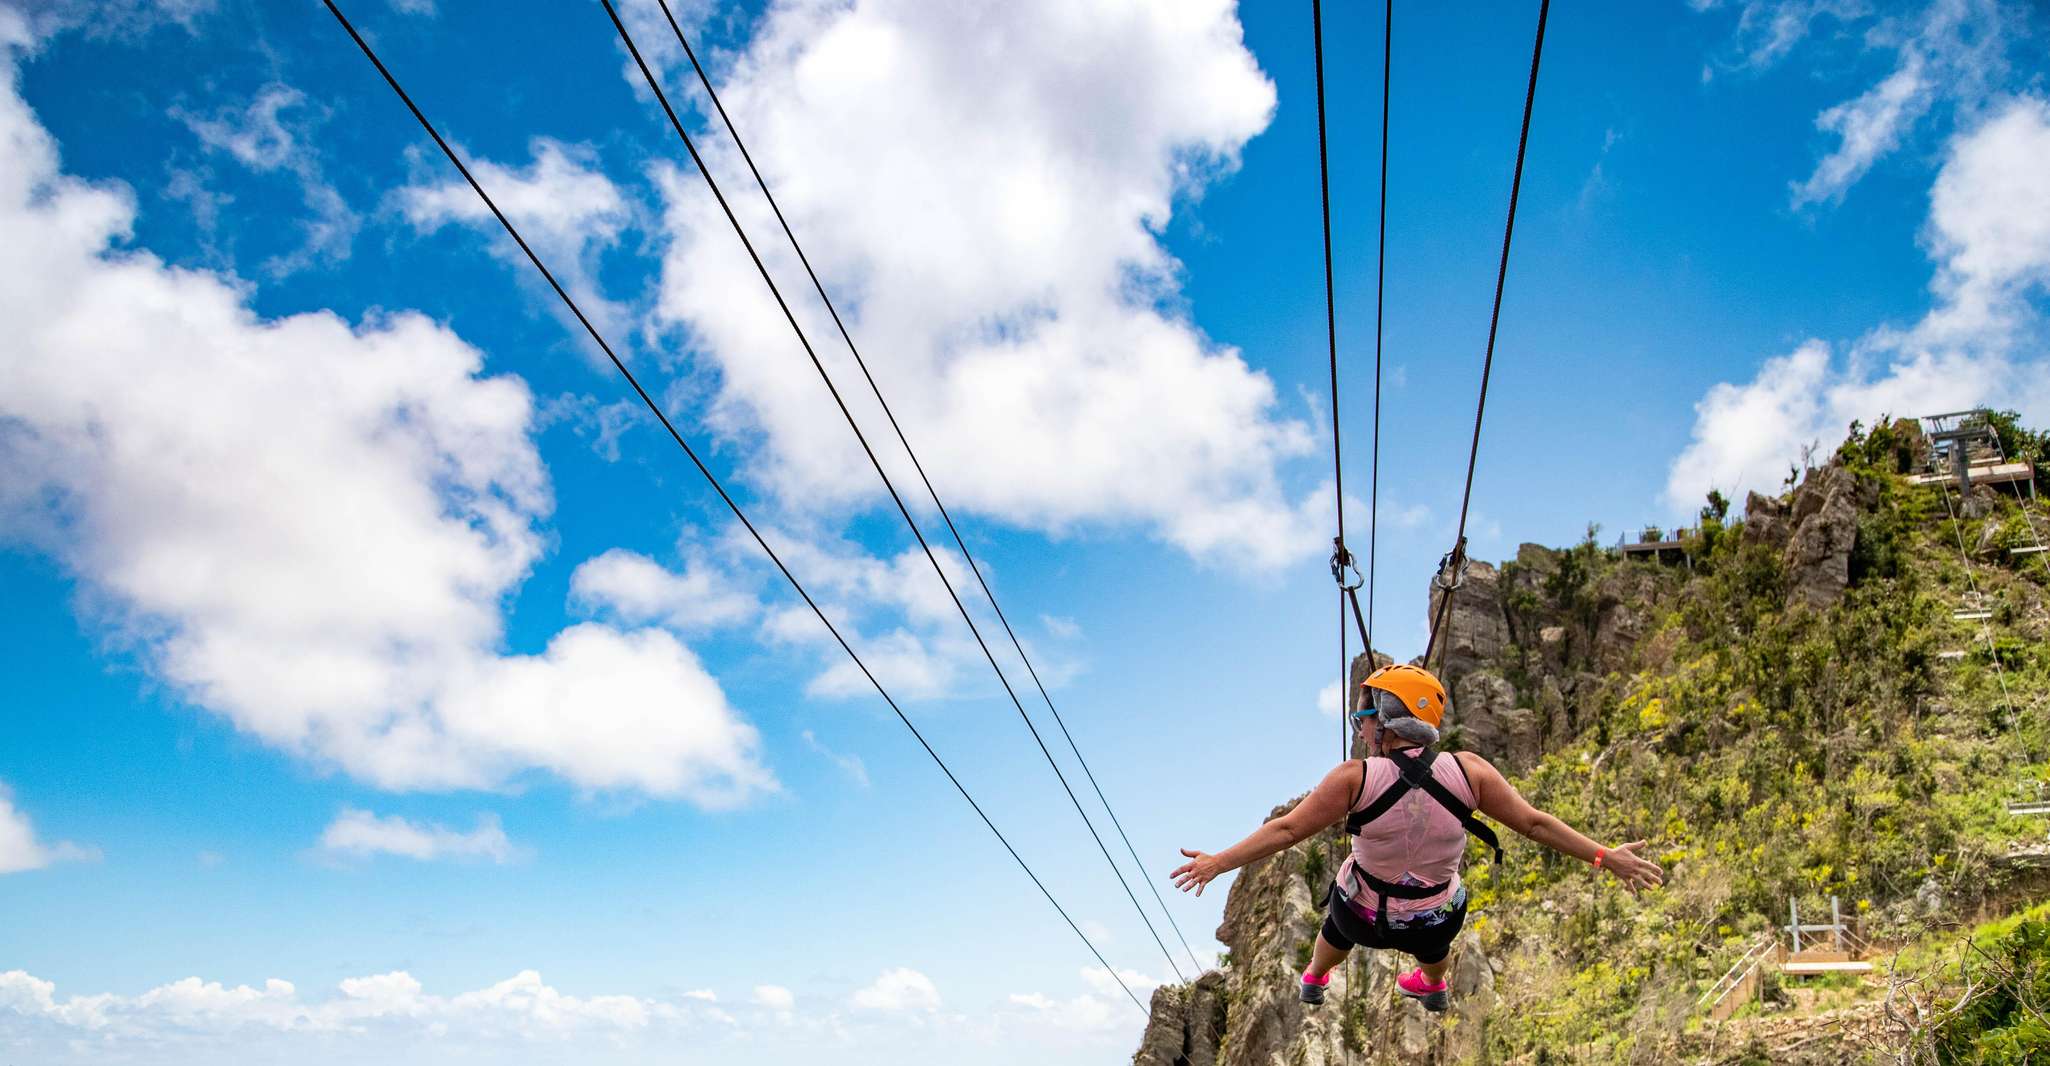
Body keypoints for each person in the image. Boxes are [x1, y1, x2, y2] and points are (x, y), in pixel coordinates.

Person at [1170, 663, 1663, 1012]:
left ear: (1385, 722)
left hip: (1363, 916)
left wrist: (1219, 862)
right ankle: (1431, 983)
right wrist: (1605, 857)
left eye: (1362, 719)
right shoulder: (1470, 771)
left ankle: (1317, 976)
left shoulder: (1353, 778)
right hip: (1432, 920)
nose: (1360, 729)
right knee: (1437, 937)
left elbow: (1288, 829)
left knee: (1336, 929)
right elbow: (1534, 823)